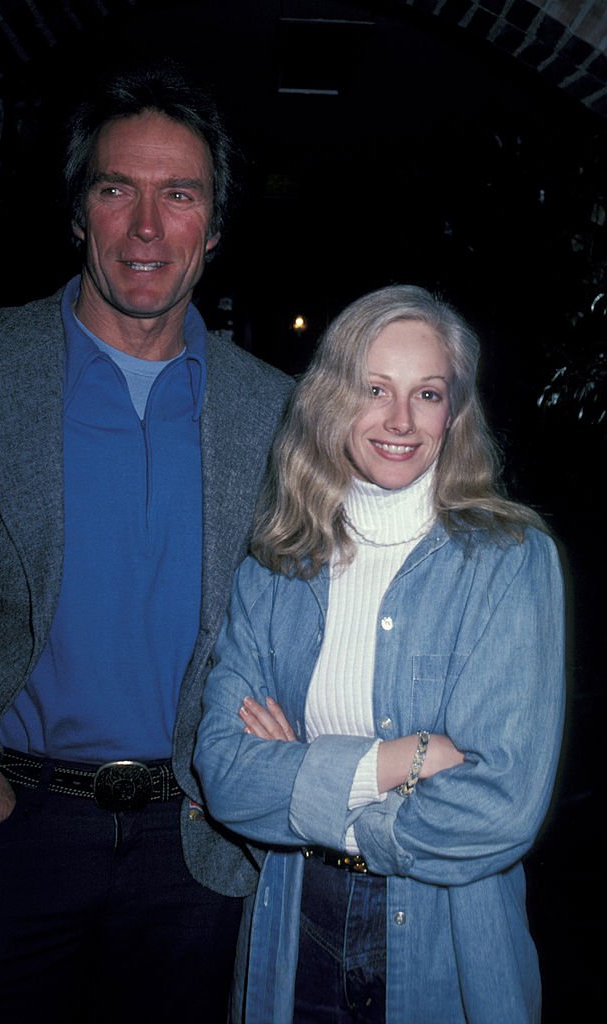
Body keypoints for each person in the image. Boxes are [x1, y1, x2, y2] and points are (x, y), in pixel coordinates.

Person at [0, 63, 293, 1023]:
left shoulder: (278, 410)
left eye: (178, 195)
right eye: (116, 190)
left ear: (214, 227)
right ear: (77, 212)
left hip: (195, 842)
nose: (146, 228)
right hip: (3, 830)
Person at [194, 284, 565, 1024]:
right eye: (374, 389)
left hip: (447, 930)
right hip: (294, 915)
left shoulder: (508, 560)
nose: (400, 420)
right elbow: (226, 774)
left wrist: (311, 781)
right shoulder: (276, 562)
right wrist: (408, 757)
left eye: (426, 393)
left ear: (453, 412)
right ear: (332, 401)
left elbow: (502, 805)